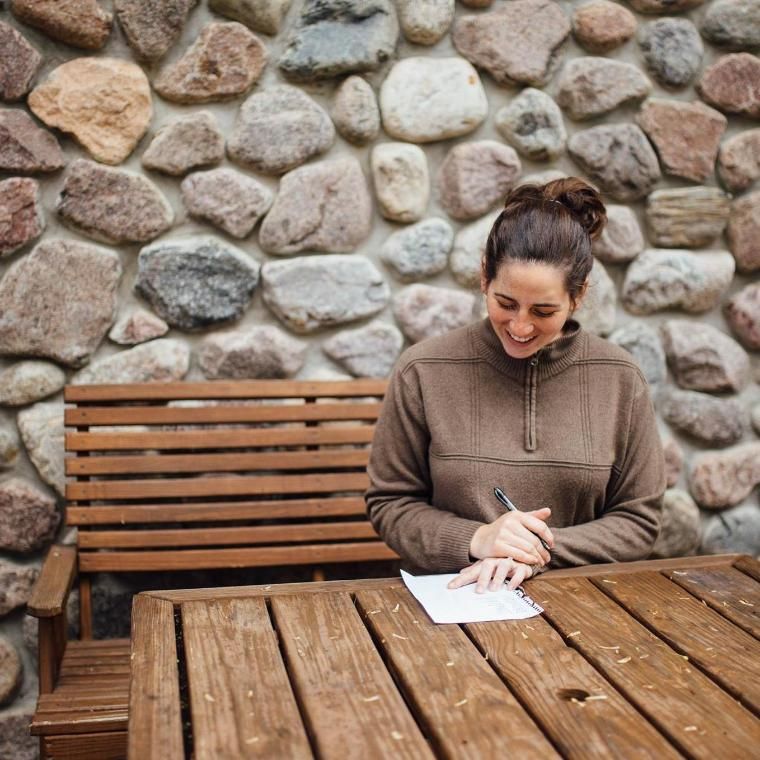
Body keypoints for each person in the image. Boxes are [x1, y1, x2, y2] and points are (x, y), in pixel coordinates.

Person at [365, 178, 666, 593]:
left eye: (543, 311)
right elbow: (391, 504)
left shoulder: (619, 377)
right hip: (455, 605)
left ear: (578, 296)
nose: (520, 326)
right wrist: (477, 540)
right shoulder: (423, 369)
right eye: (506, 303)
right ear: (484, 276)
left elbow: (639, 521)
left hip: (589, 607)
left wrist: (536, 550)